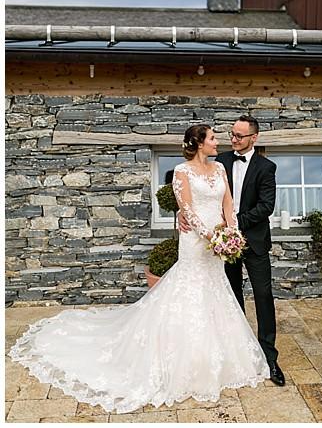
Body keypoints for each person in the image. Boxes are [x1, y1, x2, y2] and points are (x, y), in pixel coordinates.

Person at [9, 124, 269, 413]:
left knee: (216, 291)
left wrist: (230, 232)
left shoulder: (220, 169)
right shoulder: (182, 172)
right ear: (198, 144)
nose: (217, 141)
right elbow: (188, 211)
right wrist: (210, 236)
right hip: (196, 243)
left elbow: (228, 203)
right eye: (212, 138)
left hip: (218, 241)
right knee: (190, 290)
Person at [180, 115, 284, 386]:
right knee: (230, 294)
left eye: (239, 136)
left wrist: (232, 226)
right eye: (232, 135)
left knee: (263, 294)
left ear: (254, 138)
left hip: (252, 240)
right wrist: (180, 215)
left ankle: (270, 357)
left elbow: (266, 207)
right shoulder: (219, 162)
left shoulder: (267, 167)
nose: (233, 140)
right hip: (218, 245)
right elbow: (190, 196)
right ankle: (237, 350)